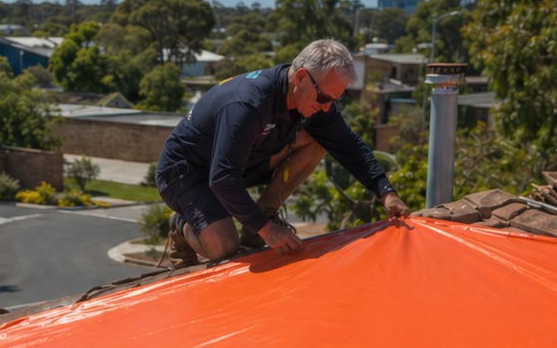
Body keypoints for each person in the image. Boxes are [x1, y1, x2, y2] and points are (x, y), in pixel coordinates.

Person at [155, 38, 410, 267]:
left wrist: (386, 193)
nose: (326, 107)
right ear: (300, 78)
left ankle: (262, 217)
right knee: (224, 247)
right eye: (323, 98)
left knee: (322, 139)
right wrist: (269, 232)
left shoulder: (312, 98)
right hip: (187, 172)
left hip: (239, 162)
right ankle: (182, 228)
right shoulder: (248, 105)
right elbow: (222, 177)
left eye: (335, 99)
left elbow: (348, 144)